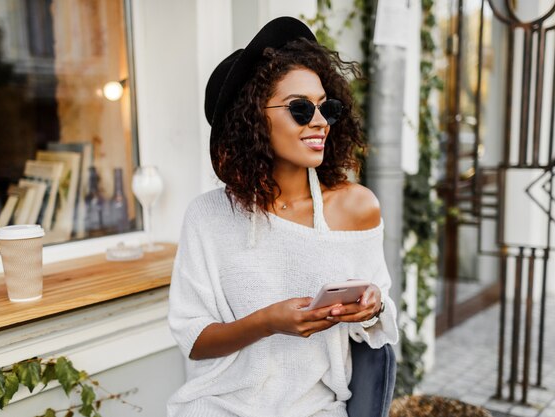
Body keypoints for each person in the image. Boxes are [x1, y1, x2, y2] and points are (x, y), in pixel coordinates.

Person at [167, 16, 398, 417]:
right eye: (301, 108)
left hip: (316, 408)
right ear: (253, 118)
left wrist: (373, 307)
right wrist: (268, 321)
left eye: (327, 107)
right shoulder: (207, 217)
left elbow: (379, 317)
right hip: (217, 406)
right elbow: (194, 338)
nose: (320, 121)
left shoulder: (356, 207)